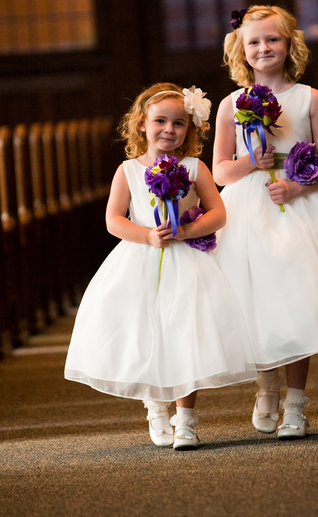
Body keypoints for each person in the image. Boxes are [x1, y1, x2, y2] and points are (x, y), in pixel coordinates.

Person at [213, 5, 318, 439]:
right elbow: (219, 171)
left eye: (273, 39)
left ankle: (297, 403)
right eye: (254, 42)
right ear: (241, 50)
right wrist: (251, 161)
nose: (264, 47)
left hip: (298, 202)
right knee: (257, 297)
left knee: (299, 297)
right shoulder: (232, 104)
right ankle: (266, 385)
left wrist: (297, 187)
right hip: (250, 205)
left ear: (289, 45)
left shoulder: (309, 98)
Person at [65, 82, 256, 450]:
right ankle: (155, 406)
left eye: (179, 123)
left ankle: (186, 420)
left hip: (186, 263)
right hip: (139, 260)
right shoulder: (129, 171)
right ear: (141, 124)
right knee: (147, 334)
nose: (169, 130)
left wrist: (187, 229)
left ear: (191, 128)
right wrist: (148, 236)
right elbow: (113, 220)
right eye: (160, 121)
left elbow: (218, 213)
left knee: (188, 335)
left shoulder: (194, 167)